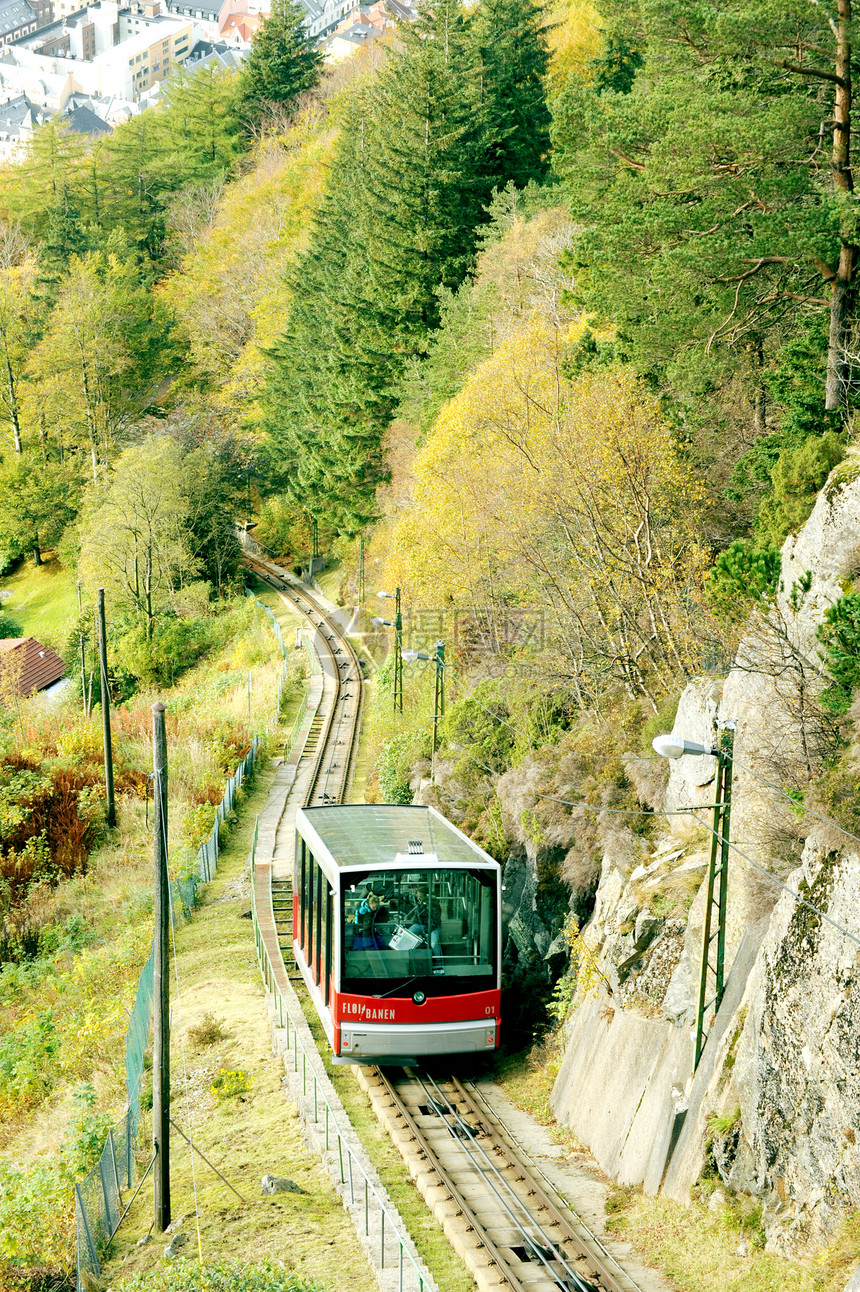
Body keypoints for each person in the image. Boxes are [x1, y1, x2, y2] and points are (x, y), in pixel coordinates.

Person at [406, 887, 441, 959]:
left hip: (432, 927)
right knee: (407, 935)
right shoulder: (416, 900)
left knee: (434, 944)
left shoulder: (434, 905)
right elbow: (404, 897)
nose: (419, 898)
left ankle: (439, 962)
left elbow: (434, 922)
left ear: (426, 896)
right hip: (419, 924)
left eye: (421, 897)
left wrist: (423, 933)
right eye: (417, 896)